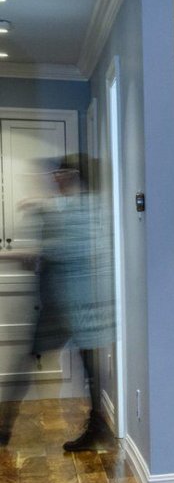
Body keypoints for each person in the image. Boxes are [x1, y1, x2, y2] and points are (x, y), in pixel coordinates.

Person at [0, 154, 111, 451]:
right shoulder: (71, 206)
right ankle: (96, 427)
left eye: (61, 174)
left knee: (31, 362)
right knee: (85, 367)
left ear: (73, 176)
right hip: (64, 303)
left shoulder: (84, 207)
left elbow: (62, 251)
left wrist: (13, 254)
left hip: (74, 306)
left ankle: (3, 429)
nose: (55, 178)